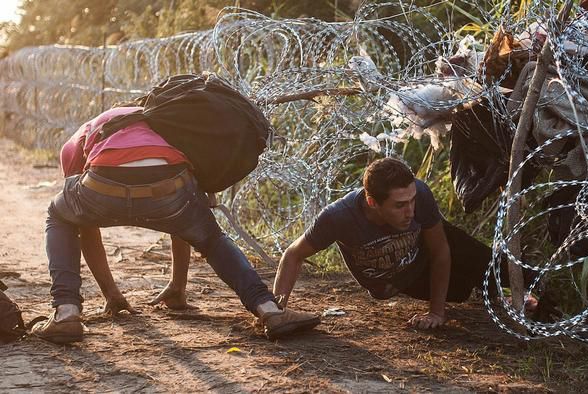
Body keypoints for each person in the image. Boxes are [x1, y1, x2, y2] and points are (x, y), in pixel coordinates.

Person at [30, 105, 320, 344]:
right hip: (170, 186)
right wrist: (178, 286)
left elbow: (85, 228)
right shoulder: (165, 123)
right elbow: (188, 217)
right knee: (212, 239)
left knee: (61, 216)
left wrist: (112, 294)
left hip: (103, 182)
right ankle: (269, 309)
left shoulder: (81, 137)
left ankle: (66, 312)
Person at [273, 157, 498, 329]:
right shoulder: (339, 217)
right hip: (397, 281)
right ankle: (494, 292)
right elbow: (293, 254)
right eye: (400, 205)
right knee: (461, 292)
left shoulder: (419, 194)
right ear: (372, 202)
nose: (410, 211)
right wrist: (276, 312)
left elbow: (440, 250)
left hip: (421, 254)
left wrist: (436, 313)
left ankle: (526, 285)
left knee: (456, 240)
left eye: (412, 200)